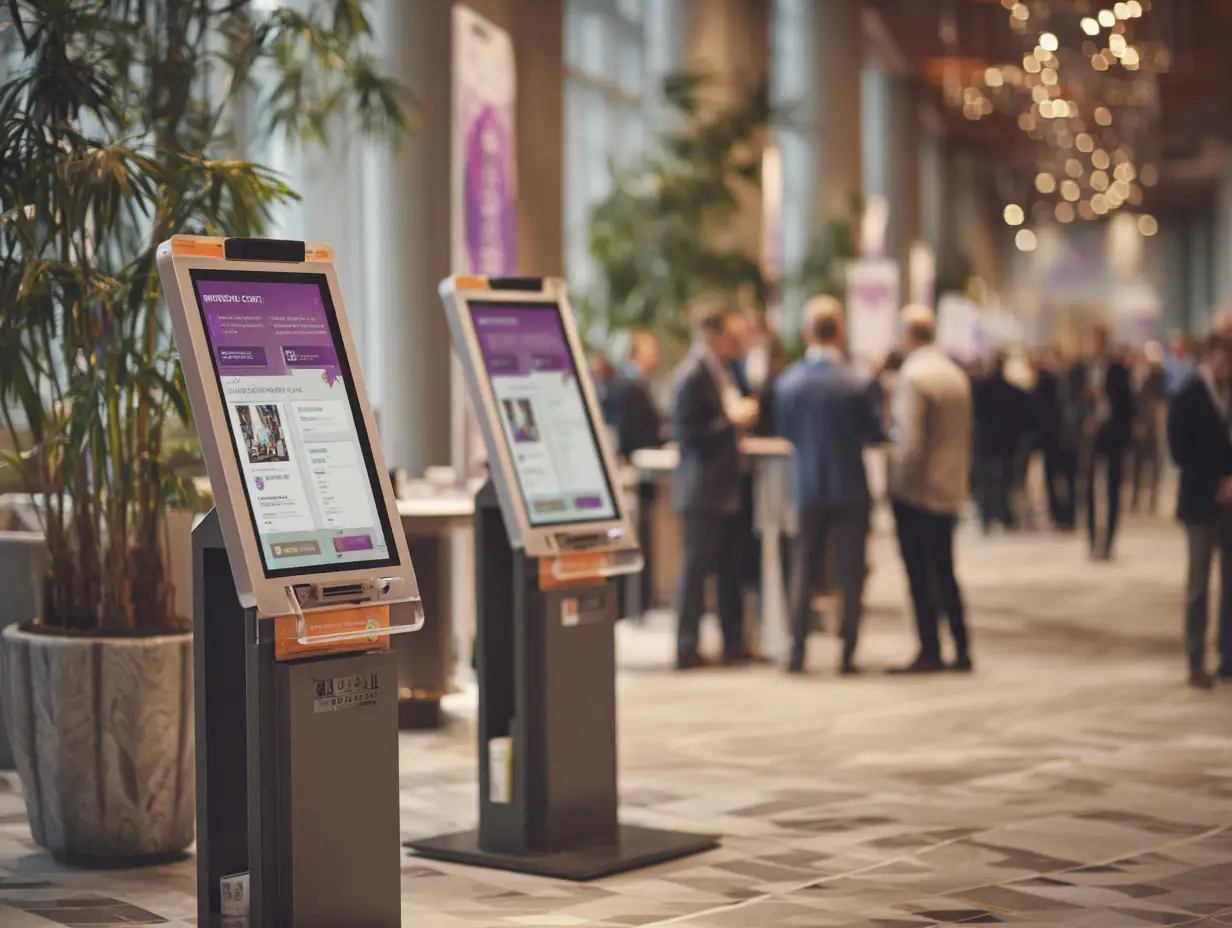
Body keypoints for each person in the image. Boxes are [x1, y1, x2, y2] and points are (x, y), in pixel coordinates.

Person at [774, 296, 882, 675]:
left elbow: (785, 432)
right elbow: (875, 432)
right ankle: (848, 653)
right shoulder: (858, 382)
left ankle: (797, 651)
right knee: (851, 572)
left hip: (807, 486)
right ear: (840, 332)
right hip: (850, 486)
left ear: (807, 333)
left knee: (804, 566)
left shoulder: (789, 383)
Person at [670, 300, 760, 669]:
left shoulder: (727, 371)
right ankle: (686, 645)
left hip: (727, 486)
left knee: (730, 568)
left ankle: (733, 639)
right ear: (712, 335)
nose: (738, 342)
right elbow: (689, 435)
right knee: (696, 570)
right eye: (732, 335)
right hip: (702, 488)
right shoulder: (692, 375)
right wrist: (733, 423)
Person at [888, 305, 974, 674]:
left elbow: (912, 444)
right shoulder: (955, 374)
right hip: (951, 486)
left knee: (920, 574)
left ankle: (930, 648)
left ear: (908, 335)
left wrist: (898, 487)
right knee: (946, 570)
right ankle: (962, 646)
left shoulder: (914, 377)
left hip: (920, 492)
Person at [1166, 332, 1232, 689]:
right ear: (1210, 358)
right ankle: (1195, 659)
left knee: (1230, 584)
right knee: (1198, 584)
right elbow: (1178, 450)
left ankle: (1228, 656)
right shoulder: (1189, 395)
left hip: (1231, 500)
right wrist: (1215, 479)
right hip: (1199, 501)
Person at [1069, 324, 1135, 560]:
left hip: (1112, 437)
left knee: (1112, 490)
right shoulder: (1081, 369)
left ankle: (1108, 542)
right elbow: (1072, 401)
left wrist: (1105, 402)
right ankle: (1092, 539)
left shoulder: (1119, 371)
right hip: (1089, 439)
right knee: (1087, 490)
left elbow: (1127, 406)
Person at [613, 330, 665, 619]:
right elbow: (632, 434)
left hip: (647, 476)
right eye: (650, 350)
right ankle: (632, 606)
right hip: (633, 477)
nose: (655, 356)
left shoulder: (645, 385)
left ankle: (643, 602)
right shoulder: (627, 387)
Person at [971, 351, 1028, 533]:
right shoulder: (1012, 392)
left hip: (987, 443)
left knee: (987, 482)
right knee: (1003, 482)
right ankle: (1003, 516)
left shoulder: (980, 390)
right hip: (1003, 444)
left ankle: (988, 517)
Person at [1131, 342, 1167, 514]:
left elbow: (1157, 404)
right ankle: (1135, 499)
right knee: (1137, 464)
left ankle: (1152, 499)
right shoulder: (1135, 377)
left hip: (1152, 425)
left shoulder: (1157, 377)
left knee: (1153, 464)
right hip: (1140, 424)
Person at [1164, 330, 1196, 400]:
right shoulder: (1168, 362)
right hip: (1173, 395)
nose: (1178, 349)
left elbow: (1193, 379)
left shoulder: (1191, 362)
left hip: (1188, 395)